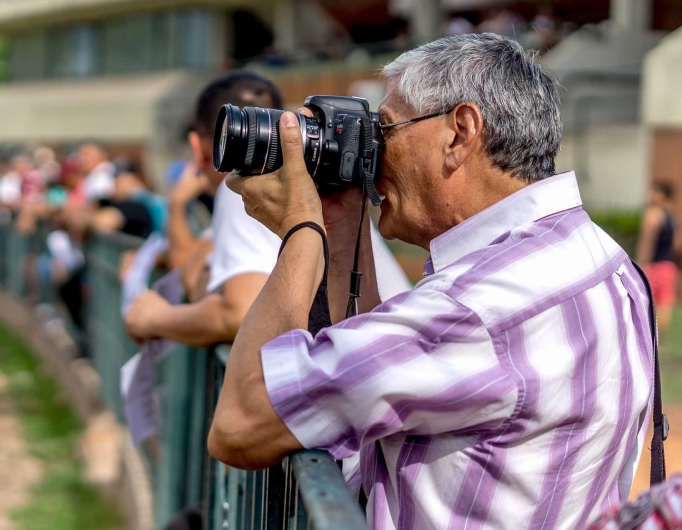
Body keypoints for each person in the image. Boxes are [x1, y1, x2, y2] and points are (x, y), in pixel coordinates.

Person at [209, 34, 654, 529]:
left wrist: (300, 230)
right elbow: (377, 365)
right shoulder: (600, 257)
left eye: (385, 130)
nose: (373, 154)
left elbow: (242, 423)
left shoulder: (478, 309)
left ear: (460, 133)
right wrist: (339, 222)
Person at [124, 71, 411, 349]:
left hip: (372, 366)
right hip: (389, 360)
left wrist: (155, 319)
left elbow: (239, 312)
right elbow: (191, 268)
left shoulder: (253, 185)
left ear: (197, 147)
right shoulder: (305, 178)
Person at [637, 181, 677, 337]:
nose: (650, 195)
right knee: (665, 304)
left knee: (647, 306)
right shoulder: (672, 217)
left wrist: (641, 266)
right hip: (668, 267)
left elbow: (646, 245)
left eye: (653, 192)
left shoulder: (652, 215)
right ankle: (660, 343)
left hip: (653, 267)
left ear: (661, 196)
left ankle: (650, 341)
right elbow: (675, 246)